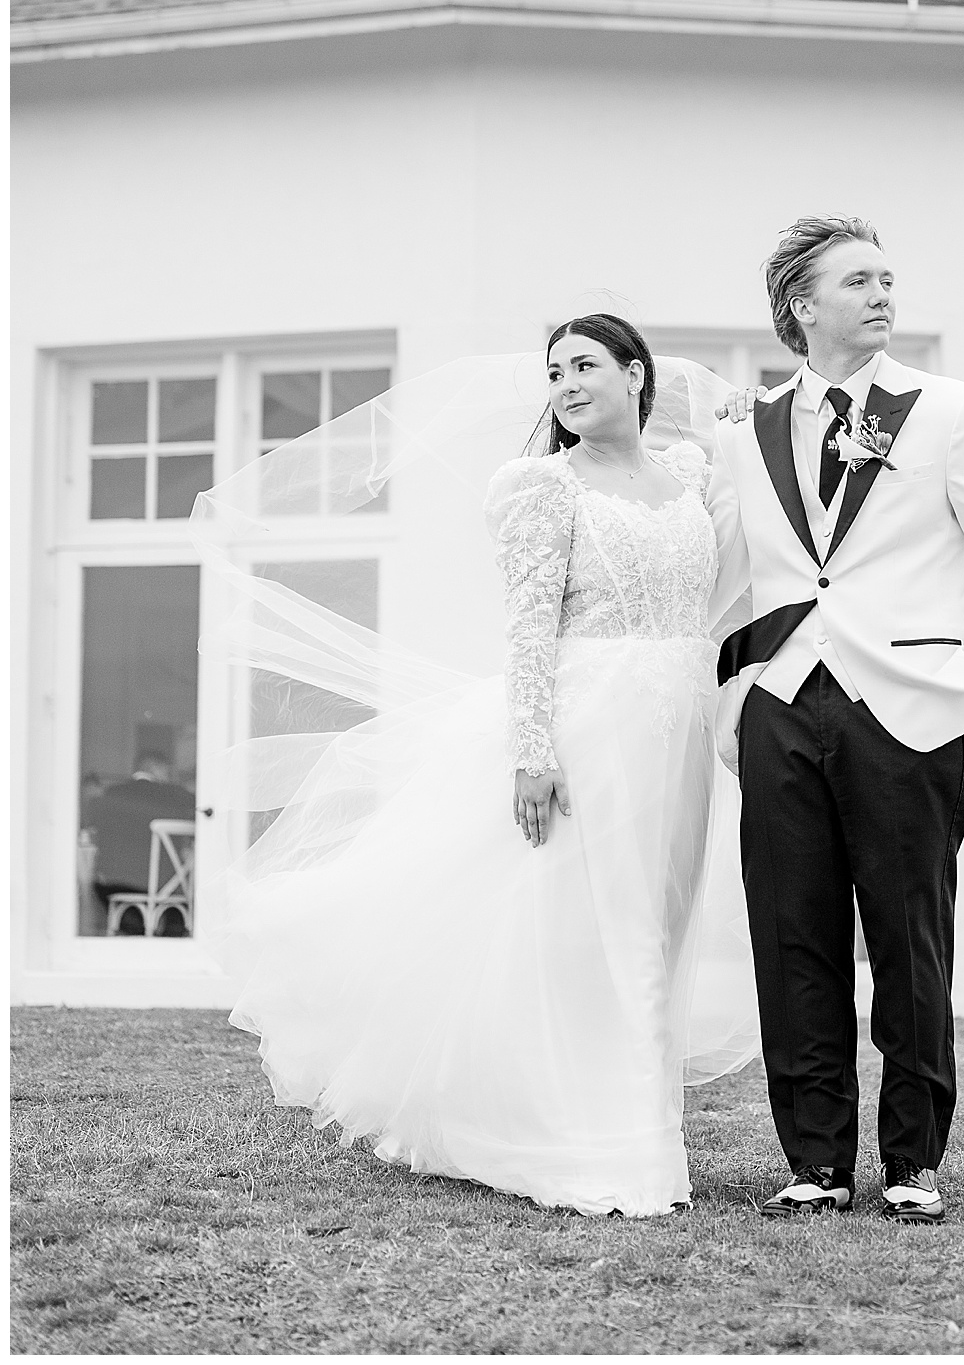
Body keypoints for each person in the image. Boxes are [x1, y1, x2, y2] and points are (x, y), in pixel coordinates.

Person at [209, 318, 760, 1217]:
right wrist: (532, 754)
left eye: (586, 365)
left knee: (662, 924)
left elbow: (734, 572)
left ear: (635, 373)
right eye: (555, 372)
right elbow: (529, 626)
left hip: (679, 731)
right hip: (592, 727)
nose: (568, 383)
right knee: (601, 936)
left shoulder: (694, 476)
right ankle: (611, 1152)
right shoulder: (543, 487)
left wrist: (741, 428)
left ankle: (642, 1132)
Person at [710, 215, 964, 1223]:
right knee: (792, 939)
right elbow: (722, 573)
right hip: (778, 706)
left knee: (910, 942)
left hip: (905, 709)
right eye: (856, 279)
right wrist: (729, 692)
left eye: (886, 278)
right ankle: (813, 1161)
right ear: (801, 306)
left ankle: (911, 1161)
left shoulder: (945, 411)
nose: (881, 292)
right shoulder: (744, 426)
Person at [85, 752, 196, 931]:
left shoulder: (110, 794)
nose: (170, 775)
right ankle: (175, 931)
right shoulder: (175, 796)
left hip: (112, 882)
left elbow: (90, 827)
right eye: (167, 769)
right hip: (163, 882)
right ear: (154, 767)